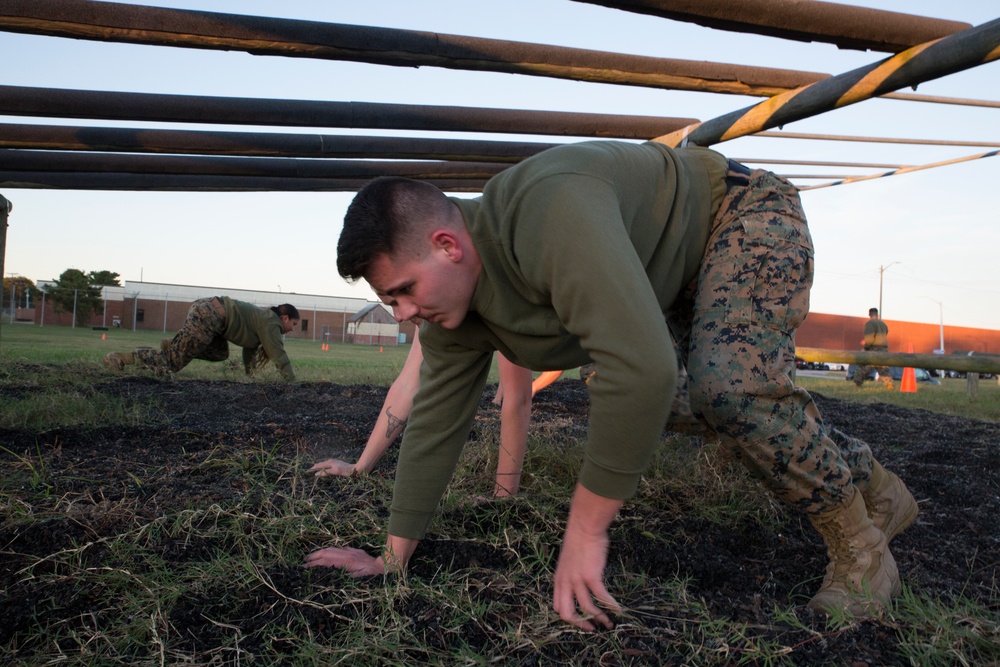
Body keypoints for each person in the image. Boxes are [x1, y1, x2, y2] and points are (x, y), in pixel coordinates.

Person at [304, 141, 918, 629]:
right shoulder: (455, 314)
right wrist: (392, 555)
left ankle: (862, 548)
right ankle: (872, 484)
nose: (401, 314)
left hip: (739, 213)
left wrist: (586, 529)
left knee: (729, 386)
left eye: (403, 291)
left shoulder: (547, 211)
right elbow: (437, 418)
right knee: (679, 398)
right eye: (388, 301)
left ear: (447, 246)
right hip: (664, 274)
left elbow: (641, 368)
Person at [309, 324, 534, 497]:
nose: (400, 315)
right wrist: (359, 467)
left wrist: (503, 496)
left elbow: (517, 397)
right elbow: (409, 382)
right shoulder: (424, 301)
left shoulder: (499, 295)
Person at [103, 297, 299, 381]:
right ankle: (120, 358)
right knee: (172, 362)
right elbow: (278, 355)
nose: (293, 329)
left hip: (212, 315)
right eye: (294, 324)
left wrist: (250, 376)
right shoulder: (271, 322)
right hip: (210, 315)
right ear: (284, 318)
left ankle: (175, 345)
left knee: (220, 352)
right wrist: (292, 382)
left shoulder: (263, 320)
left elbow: (250, 350)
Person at [855, 307, 893, 389]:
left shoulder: (870, 323)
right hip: (883, 349)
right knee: (883, 369)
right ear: (877, 314)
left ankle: (857, 383)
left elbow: (869, 338)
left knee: (863, 367)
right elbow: (885, 332)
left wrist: (866, 346)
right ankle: (889, 385)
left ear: (869, 314)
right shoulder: (883, 324)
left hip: (873, 349)